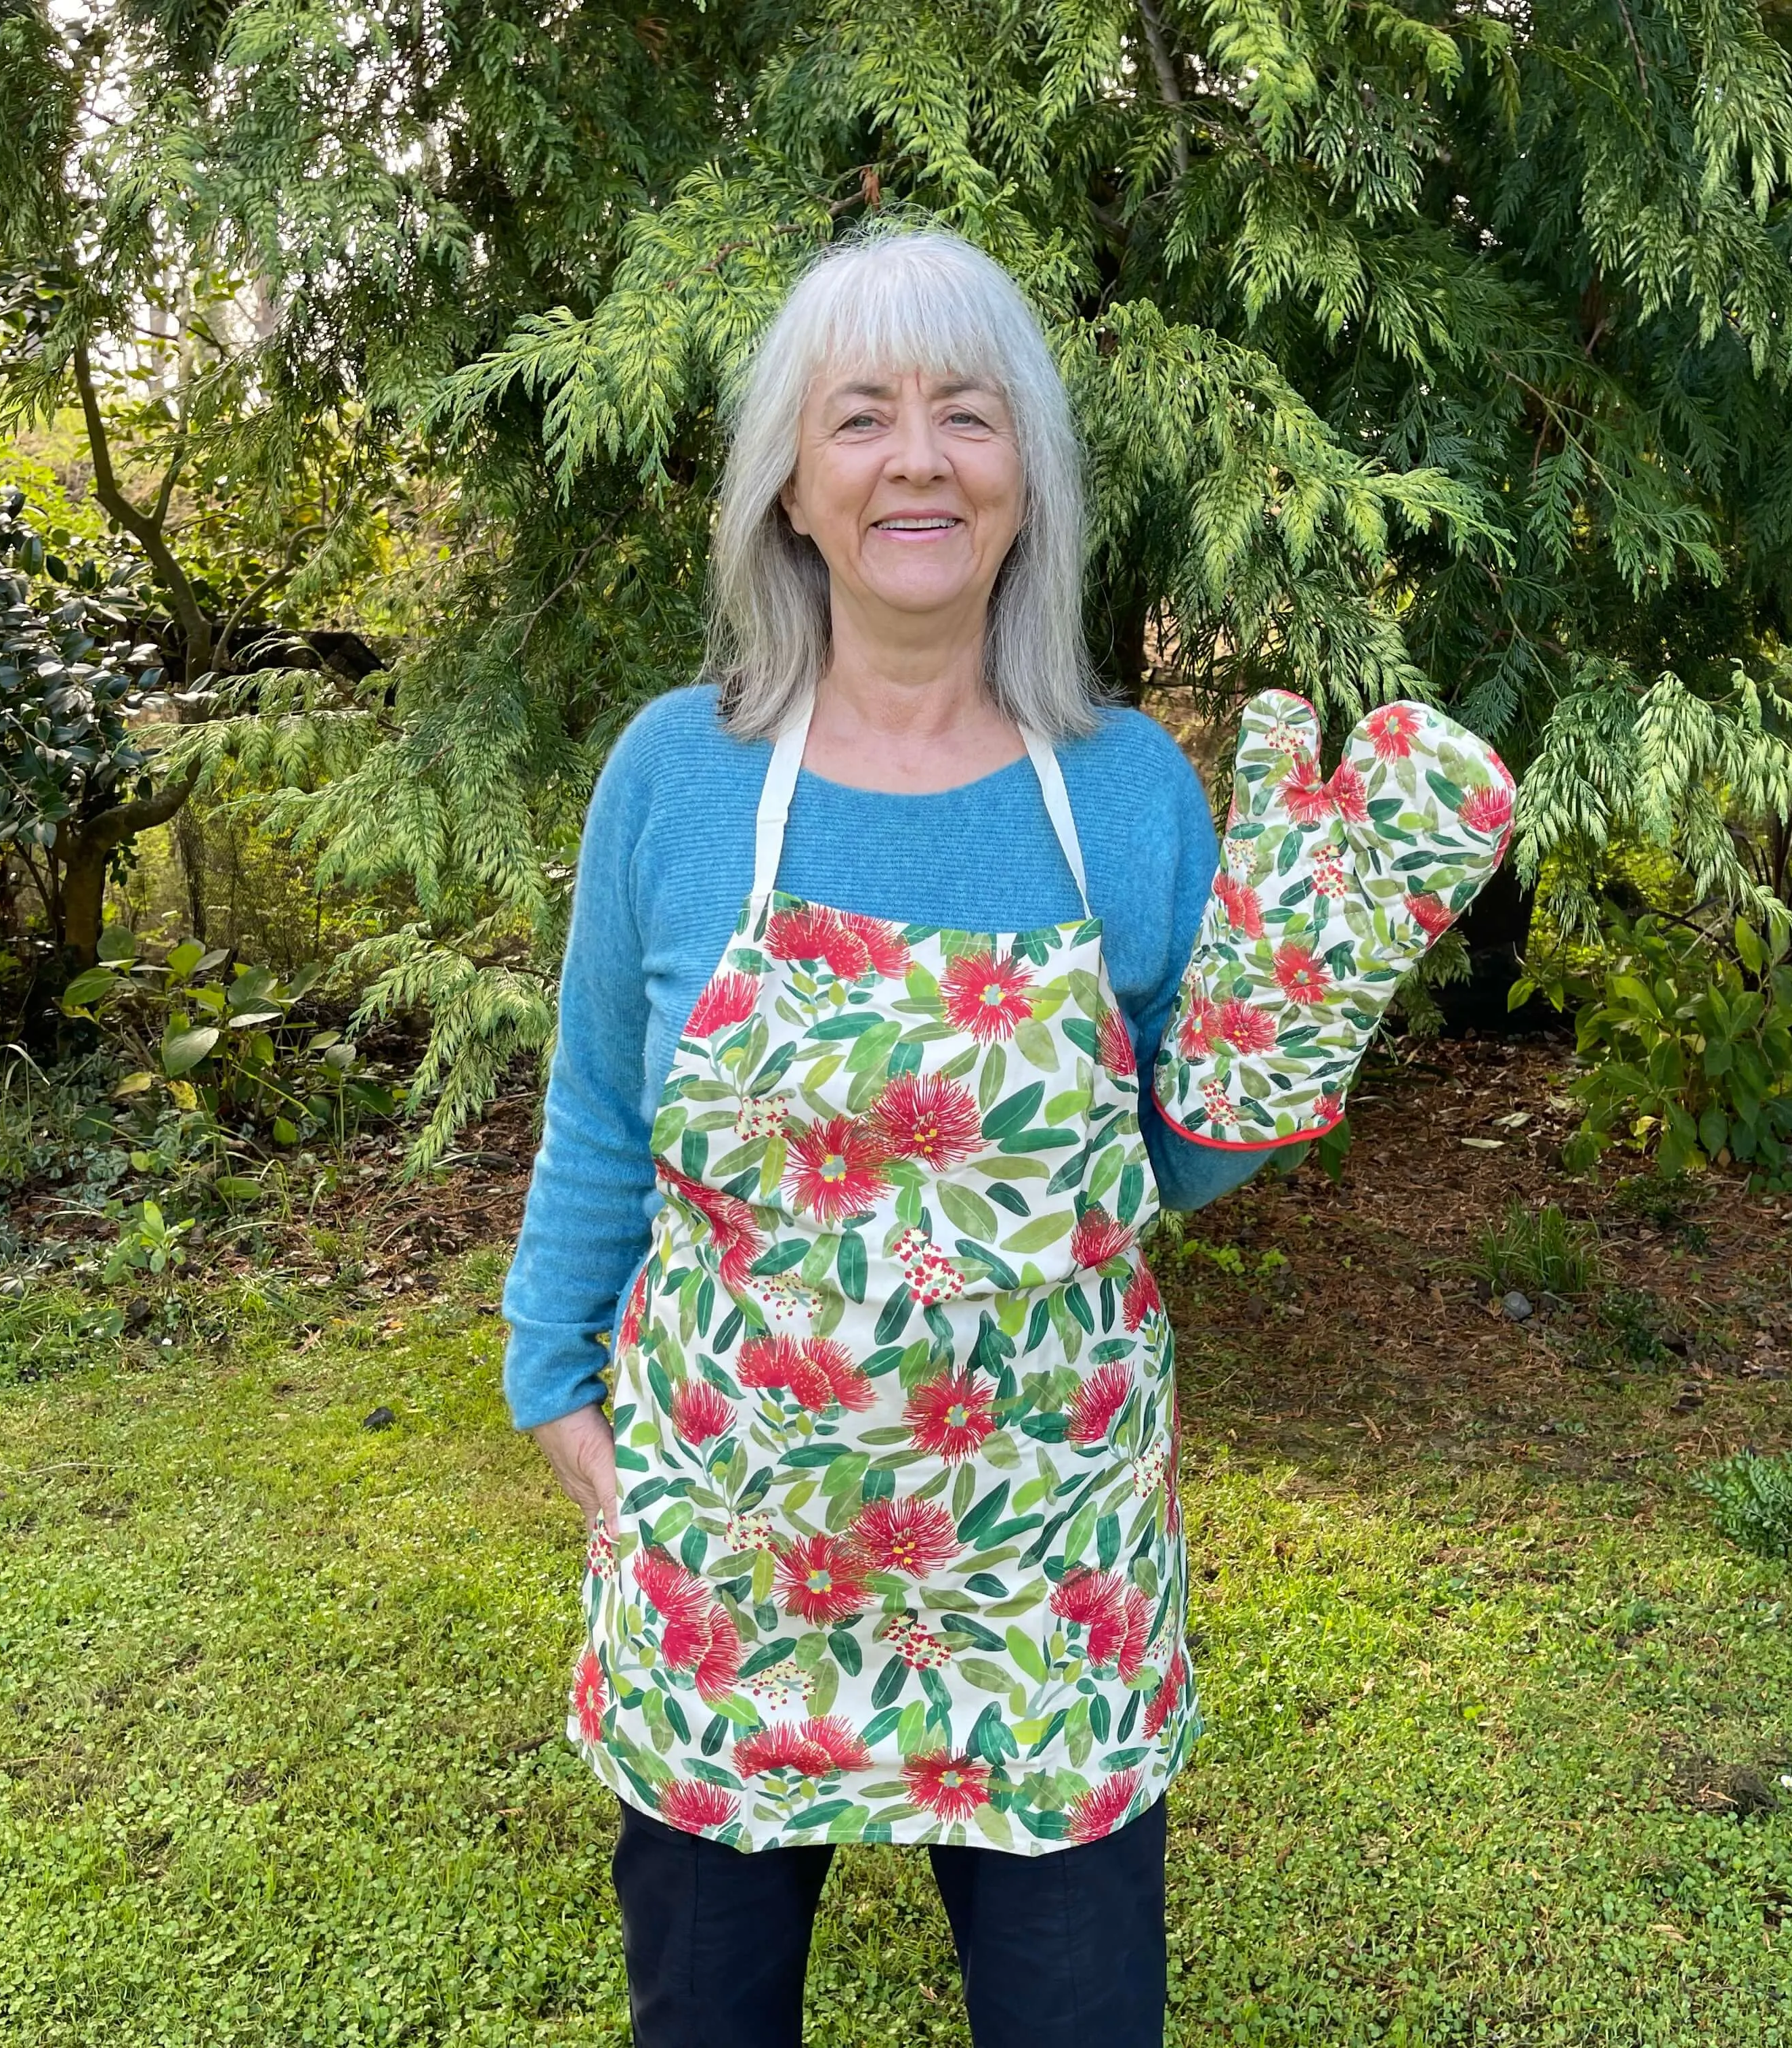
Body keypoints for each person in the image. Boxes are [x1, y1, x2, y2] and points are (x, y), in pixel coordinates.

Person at [500, 226, 1285, 2048]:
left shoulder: (1127, 792)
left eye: (967, 414)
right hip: (735, 1553)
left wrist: (1277, 1056)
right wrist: (563, 1395)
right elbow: (604, 1119)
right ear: (792, 479)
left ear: (1029, 482)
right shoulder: (680, 776)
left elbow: (1175, 1162)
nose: (918, 457)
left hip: (1045, 1575)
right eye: (861, 416)